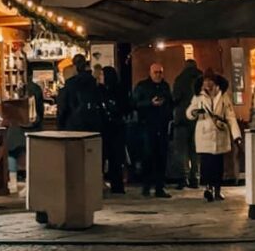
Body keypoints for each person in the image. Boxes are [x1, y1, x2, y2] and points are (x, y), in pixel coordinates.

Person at [187, 69, 241, 202]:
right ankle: (208, 188)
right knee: (206, 164)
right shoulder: (198, 96)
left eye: (210, 81)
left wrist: (236, 135)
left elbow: (230, 116)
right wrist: (194, 112)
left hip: (219, 133)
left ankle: (217, 189)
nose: (208, 84)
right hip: (204, 133)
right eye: (206, 81)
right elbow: (189, 113)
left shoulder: (223, 96)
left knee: (218, 164)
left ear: (215, 82)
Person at [133, 63, 173, 198]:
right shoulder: (142, 86)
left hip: (162, 126)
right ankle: (146, 186)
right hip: (147, 125)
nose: (158, 75)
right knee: (148, 156)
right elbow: (135, 103)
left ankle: (159, 187)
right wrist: (150, 103)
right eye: (156, 72)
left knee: (161, 157)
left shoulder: (165, 86)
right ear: (150, 73)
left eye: (160, 72)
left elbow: (170, 102)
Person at [172, 58, 203, 189]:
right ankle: (195, 178)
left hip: (182, 119)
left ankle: (183, 178)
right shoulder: (202, 79)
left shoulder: (180, 79)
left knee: (181, 150)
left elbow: (175, 97)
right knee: (195, 150)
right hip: (198, 119)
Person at [100, 66, 129, 194]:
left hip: (106, 127)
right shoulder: (121, 89)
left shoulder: (101, 90)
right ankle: (117, 185)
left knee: (104, 156)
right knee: (116, 158)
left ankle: (105, 183)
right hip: (117, 127)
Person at [57, 54, 104, 132]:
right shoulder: (94, 82)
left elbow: (63, 108)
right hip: (92, 125)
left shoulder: (70, 84)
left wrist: (60, 126)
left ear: (75, 67)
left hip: (73, 126)